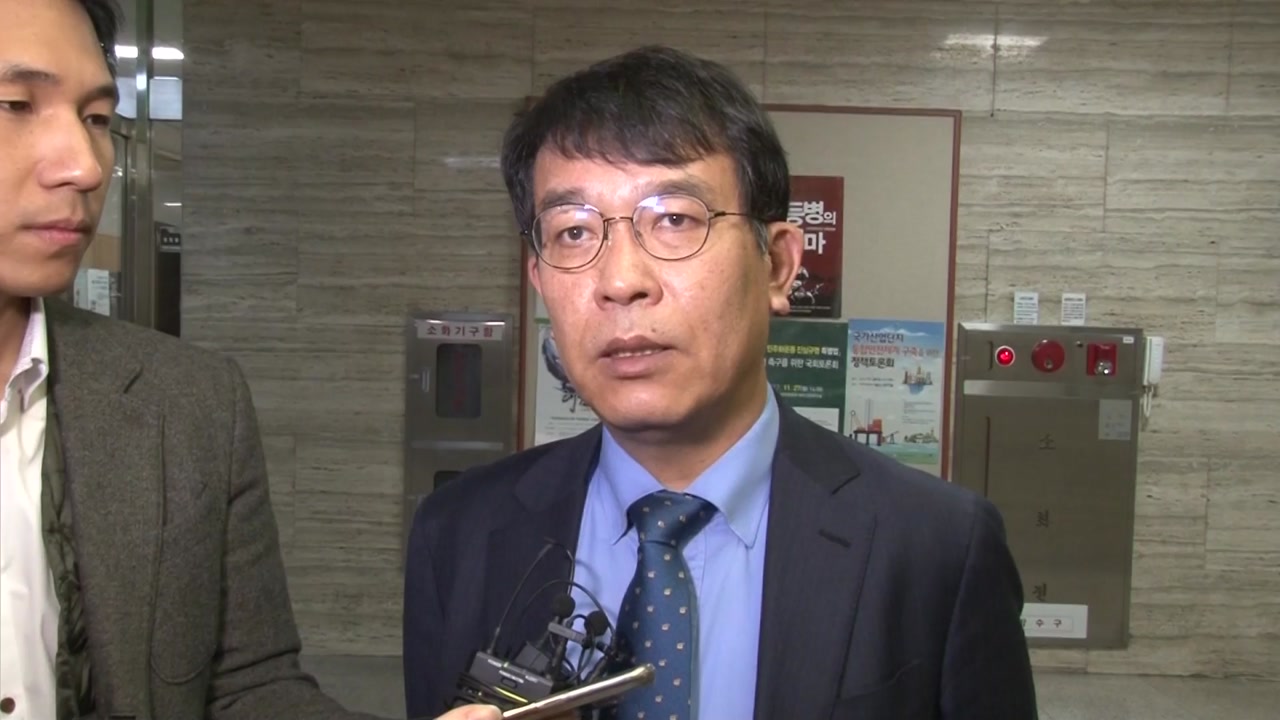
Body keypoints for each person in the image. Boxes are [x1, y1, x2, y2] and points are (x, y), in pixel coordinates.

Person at [402, 44, 1038, 720]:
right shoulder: (460, 533)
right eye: (573, 232)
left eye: (675, 220)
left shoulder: (936, 545)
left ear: (778, 267)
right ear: (539, 281)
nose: (620, 281)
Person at [0, 1, 500, 719]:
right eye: (16, 105)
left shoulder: (190, 404)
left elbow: (245, 687)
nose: (84, 165)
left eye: (98, 118)